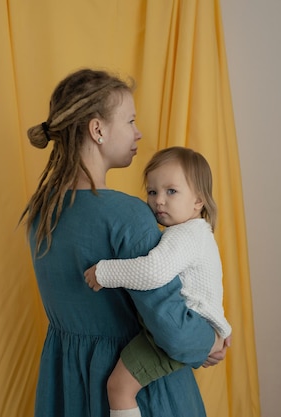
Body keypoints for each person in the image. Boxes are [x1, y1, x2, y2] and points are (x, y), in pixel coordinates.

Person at [20, 68, 228, 417]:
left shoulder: (41, 213)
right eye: (130, 121)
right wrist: (209, 341)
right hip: (141, 394)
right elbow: (170, 327)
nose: (138, 131)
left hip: (66, 385)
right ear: (98, 129)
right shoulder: (127, 215)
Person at [84, 146, 232, 417]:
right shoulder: (195, 232)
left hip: (186, 328)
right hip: (194, 327)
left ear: (198, 200)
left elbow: (153, 272)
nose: (158, 201)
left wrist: (105, 273)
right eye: (152, 192)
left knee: (119, 388)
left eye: (171, 191)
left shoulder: (185, 235)